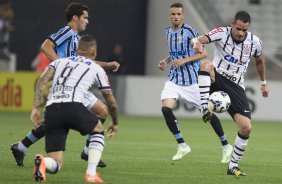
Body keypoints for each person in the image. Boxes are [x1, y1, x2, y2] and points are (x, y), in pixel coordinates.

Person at [10, 2, 119, 168]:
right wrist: (60, 65)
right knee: (74, 116)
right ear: (75, 18)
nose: (87, 21)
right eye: (85, 18)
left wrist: (107, 64)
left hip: (72, 84)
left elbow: (83, 62)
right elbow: (46, 46)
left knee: (97, 112)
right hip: (68, 84)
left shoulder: (76, 38)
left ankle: (22, 146)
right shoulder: (67, 31)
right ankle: (88, 151)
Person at [31, 35, 118, 182]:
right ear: (94, 52)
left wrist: (35, 107)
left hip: (52, 110)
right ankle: (91, 173)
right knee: (98, 130)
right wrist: (115, 122)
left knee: (56, 163)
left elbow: (42, 80)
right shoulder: (96, 68)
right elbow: (110, 99)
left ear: (77, 49)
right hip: (72, 106)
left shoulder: (59, 61)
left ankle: (43, 162)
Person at [192, 10, 269, 176]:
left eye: (244, 30)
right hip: (217, 76)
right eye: (238, 28)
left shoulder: (255, 42)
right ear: (233, 24)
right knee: (205, 64)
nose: (241, 33)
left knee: (246, 127)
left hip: (236, 86)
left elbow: (260, 61)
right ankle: (205, 107)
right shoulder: (222, 32)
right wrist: (196, 42)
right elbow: (201, 39)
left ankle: (233, 166)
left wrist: (263, 83)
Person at [158, 3, 232, 162]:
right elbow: (175, 54)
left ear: (182, 15)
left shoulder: (189, 32)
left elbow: (203, 53)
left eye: (178, 14)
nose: (175, 16)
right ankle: (182, 146)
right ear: (169, 15)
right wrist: (165, 61)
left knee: (208, 113)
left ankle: (226, 146)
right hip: (174, 80)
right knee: (166, 109)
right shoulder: (168, 32)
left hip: (192, 82)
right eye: (173, 14)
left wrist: (184, 61)